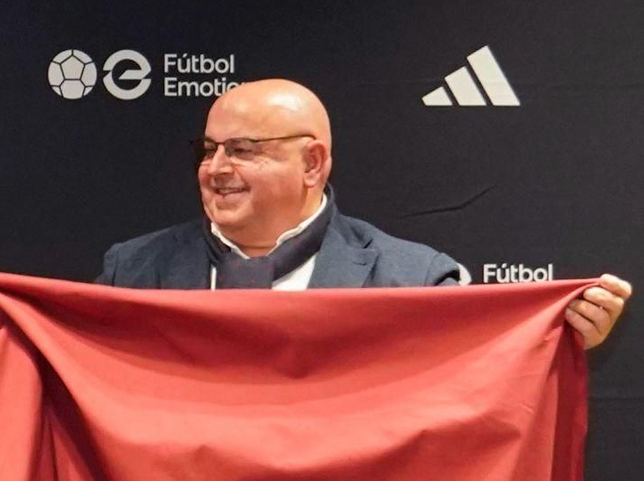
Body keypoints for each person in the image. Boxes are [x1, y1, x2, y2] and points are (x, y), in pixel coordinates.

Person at [95, 79, 629, 345]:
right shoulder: (132, 271)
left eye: (242, 149)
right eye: (207, 150)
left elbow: (483, 385)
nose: (215, 168)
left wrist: (559, 344)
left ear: (312, 163)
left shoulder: (415, 281)